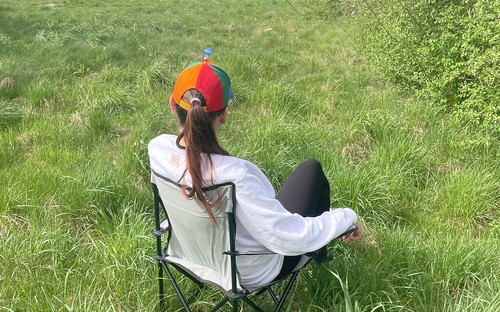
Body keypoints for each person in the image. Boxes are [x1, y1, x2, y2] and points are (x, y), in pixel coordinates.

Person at [148, 50, 363, 289]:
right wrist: (347, 217)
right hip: (250, 272)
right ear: (224, 115)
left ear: (172, 104)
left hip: (189, 254)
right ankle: (320, 254)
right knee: (311, 170)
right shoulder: (236, 174)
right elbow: (291, 237)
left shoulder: (157, 149)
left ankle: (321, 246)